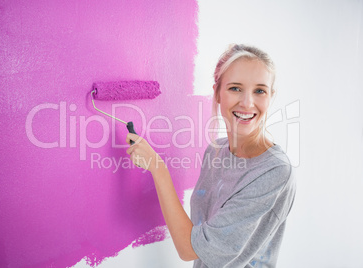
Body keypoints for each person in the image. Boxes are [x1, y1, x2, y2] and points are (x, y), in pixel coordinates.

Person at [126, 44, 296, 267]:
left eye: (259, 91)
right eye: (235, 88)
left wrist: (157, 168)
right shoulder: (215, 151)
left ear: (271, 97)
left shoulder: (274, 171)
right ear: (217, 93)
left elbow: (190, 249)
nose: (247, 102)